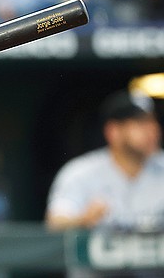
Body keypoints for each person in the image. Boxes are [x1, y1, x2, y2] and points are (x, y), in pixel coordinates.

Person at [46, 89, 164, 233]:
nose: (153, 130)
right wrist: (82, 220)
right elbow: (55, 223)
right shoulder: (81, 172)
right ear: (113, 131)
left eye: (153, 121)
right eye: (140, 123)